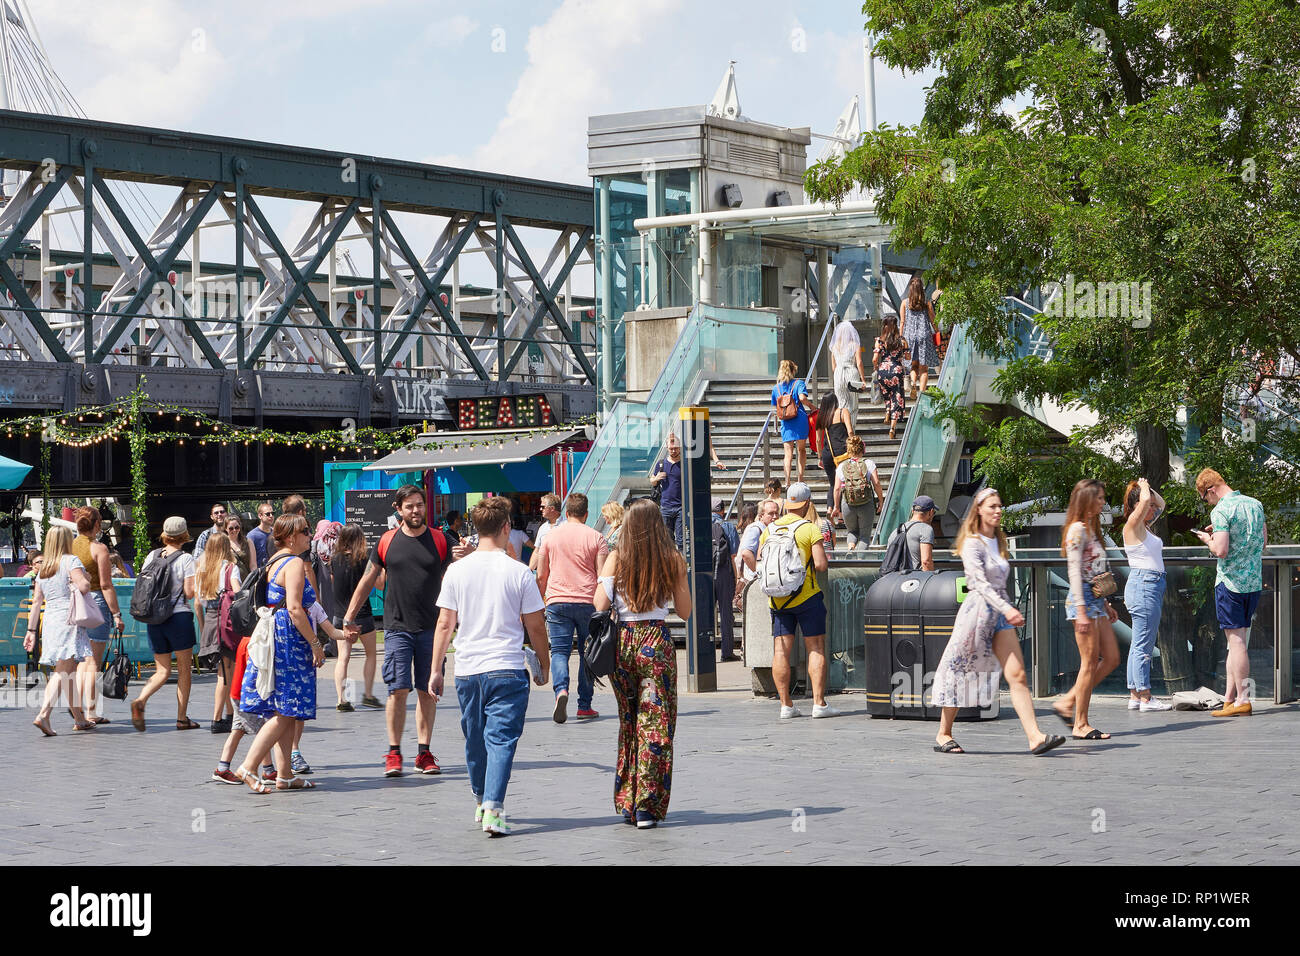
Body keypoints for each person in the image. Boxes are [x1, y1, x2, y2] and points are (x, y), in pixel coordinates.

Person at [430, 497, 551, 837]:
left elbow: (444, 624)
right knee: (501, 740)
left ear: (476, 529)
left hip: (468, 668)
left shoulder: (456, 570)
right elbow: (536, 625)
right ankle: (494, 808)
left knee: (474, 739)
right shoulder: (519, 572)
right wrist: (544, 661)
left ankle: (482, 798)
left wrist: (436, 668)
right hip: (507, 666)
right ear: (506, 528)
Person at [931, 488, 1066, 755]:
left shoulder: (998, 541)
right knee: (960, 673)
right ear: (979, 510)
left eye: (999, 506)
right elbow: (978, 584)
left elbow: (999, 584)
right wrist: (1008, 609)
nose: (998, 510)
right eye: (992, 506)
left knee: (1018, 675)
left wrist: (1007, 610)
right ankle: (943, 733)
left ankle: (1035, 737)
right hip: (977, 616)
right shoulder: (972, 543)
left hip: (1000, 616)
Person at [593, 498, 693, 829]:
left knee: (629, 721)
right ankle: (647, 805)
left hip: (623, 642)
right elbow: (686, 610)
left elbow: (599, 603)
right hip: (656, 643)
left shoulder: (617, 557)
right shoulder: (671, 559)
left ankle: (627, 800)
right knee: (656, 725)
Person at [342, 484, 451, 777]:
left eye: (419, 505)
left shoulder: (440, 540)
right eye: (409, 506)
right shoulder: (386, 541)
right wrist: (350, 615)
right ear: (398, 509)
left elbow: (457, 579)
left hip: (432, 628)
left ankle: (424, 752)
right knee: (397, 690)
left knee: (428, 692)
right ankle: (394, 753)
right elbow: (367, 580)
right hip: (397, 628)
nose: (416, 511)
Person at [233, 514, 325, 793]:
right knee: (286, 711)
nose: (309, 536)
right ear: (290, 536)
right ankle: (248, 766)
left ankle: (284, 775)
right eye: (305, 531)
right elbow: (296, 609)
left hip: (274, 635)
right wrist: (315, 644)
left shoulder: (273, 561)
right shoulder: (294, 563)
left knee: (284, 708)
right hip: (289, 640)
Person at [1193, 469, 1267, 718]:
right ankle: (1229, 699)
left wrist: (1207, 539)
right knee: (1235, 644)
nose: (1208, 502)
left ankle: (1243, 700)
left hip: (1230, 584)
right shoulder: (1255, 504)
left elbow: (1221, 550)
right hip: (1253, 582)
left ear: (1210, 489)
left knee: (1236, 643)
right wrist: (1224, 529)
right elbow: (1262, 542)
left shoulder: (1221, 510)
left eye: (1205, 497)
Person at [759, 483, 835, 719]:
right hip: (807, 597)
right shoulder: (810, 529)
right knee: (815, 647)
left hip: (778, 601)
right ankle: (819, 704)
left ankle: (785, 705)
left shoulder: (769, 530)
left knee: (781, 651)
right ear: (807, 503)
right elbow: (821, 564)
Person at [1052, 479, 1121, 740]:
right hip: (1082, 603)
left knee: (1111, 658)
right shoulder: (1077, 531)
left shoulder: (1090, 529)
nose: (1103, 502)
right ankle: (1080, 723)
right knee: (1089, 663)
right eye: (1100, 498)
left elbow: (1093, 571)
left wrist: (1105, 603)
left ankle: (1067, 702)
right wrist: (1082, 611)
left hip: (1095, 601)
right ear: (1087, 499)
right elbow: (1073, 572)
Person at [536, 492, 609, 723]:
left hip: (557, 601)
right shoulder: (597, 538)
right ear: (586, 514)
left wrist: (540, 603)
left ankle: (561, 691)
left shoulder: (550, 537)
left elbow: (541, 575)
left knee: (559, 651)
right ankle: (584, 705)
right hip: (588, 601)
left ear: (566, 513)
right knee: (588, 653)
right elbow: (602, 577)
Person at [23, 527, 96, 735]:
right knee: (63, 670)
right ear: (67, 541)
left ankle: (80, 718)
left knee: (68, 671)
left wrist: (31, 630)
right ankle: (44, 715)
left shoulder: (44, 567)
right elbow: (83, 586)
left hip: (51, 621)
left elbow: (37, 602)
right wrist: (87, 578)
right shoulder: (71, 561)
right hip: (70, 619)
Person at [130, 516, 200, 732]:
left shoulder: (152, 555)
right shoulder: (187, 559)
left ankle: (141, 699)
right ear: (184, 535)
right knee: (184, 670)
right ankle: (181, 718)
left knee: (162, 670)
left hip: (154, 618)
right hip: (178, 617)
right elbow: (189, 593)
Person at [1121, 478, 1171, 712]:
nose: (1152, 508)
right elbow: (1145, 504)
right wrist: (1142, 490)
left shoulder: (1145, 527)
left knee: (1138, 642)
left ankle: (1134, 693)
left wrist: (1148, 489)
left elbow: (1162, 504)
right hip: (1145, 585)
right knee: (1144, 643)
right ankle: (1146, 696)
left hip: (1147, 584)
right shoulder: (1134, 523)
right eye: (1147, 505)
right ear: (1138, 505)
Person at [71, 506, 123, 723]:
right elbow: (105, 584)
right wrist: (117, 614)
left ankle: (81, 709)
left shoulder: (71, 545)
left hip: (75, 604)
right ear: (95, 524)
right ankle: (91, 711)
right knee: (94, 661)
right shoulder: (99, 548)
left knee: (83, 660)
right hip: (96, 603)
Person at [211, 629, 277, 785]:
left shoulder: (245, 639)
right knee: (262, 732)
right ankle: (268, 770)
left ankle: (222, 768)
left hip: (237, 693)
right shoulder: (253, 643)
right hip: (245, 696)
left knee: (237, 731)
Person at [330, 524, 381, 712]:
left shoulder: (334, 559)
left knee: (343, 658)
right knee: (371, 654)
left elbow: (334, 582)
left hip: (339, 615)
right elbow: (380, 584)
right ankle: (367, 694)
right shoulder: (364, 559)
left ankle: (341, 699)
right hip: (363, 614)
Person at [195, 531, 239, 733]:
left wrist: (204, 628)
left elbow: (197, 603)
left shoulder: (202, 570)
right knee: (225, 672)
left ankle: (230, 715)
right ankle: (217, 719)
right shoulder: (230, 568)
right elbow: (238, 594)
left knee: (224, 671)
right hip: (225, 622)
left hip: (210, 620)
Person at [833, 435, 884, 552]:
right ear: (862, 449)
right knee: (865, 536)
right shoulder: (869, 464)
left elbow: (836, 489)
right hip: (866, 502)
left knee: (852, 532)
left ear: (848, 450)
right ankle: (860, 559)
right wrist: (881, 501)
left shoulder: (841, 466)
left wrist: (836, 507)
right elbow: (876, 483)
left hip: (848, 503)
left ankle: (851, 549)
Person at [771, 359, 816, 487]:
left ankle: (787, 481)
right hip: (800, 419)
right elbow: (802, 398)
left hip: (786, 422)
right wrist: (812, 407)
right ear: (792, 371)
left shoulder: (776, 388)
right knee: (801, 450)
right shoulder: (798, 383)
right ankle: (800, 479)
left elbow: (776, 407)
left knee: (788, 453)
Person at [902, 273, 940, 402]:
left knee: (913, 366)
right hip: (924, 336)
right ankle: (922, 395)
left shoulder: (904, 303)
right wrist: (938, 333)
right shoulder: (926, 303)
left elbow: (902, 322)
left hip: (910, 337)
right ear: (921, 289)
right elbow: (933, 321)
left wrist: (902, 338)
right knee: (924, 369)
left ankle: (913, 383)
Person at [872, 314, 910, 439]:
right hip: (897, 371)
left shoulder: (879, 341)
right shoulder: (902, 340)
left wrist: (876, 368)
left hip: (883, 371)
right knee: (897, 399)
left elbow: (874, 359)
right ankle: (892, 429)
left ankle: (888, 410)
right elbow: (908, 357)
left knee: (887, 395)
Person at [711, 497, 740, 662]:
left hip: (706, 575)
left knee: (706, 613)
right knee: (726, 613)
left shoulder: (700, 525)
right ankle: (727, 652)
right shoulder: (728, 526)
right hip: (724, 573)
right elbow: (734, 555)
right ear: (722, 510)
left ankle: (705, 650)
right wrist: (737, 579)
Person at [816, 393, 854, 514]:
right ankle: (842, 514)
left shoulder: (822, 417)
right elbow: (850, 431)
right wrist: (854, 447)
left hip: (828, 454)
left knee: (833, 484)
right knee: (844, 483)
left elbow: (818, 440)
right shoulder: (843, 412)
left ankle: (830, 509)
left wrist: (820, 457)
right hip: (843, 453)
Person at [829, 317, 868, 427]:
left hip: (838, 374)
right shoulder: (855, 345)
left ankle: (841, 429)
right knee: (853, 404)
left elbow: (833, 366)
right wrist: (863, 379)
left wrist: (838, 375)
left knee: (841, 403)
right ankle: (851, 430)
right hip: (851, 373)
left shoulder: (835, 346)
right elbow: (859, 362)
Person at [650, 434, 684, 548]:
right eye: (671, 448)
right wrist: (656, 478)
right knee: (667, 540)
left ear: (679, 448)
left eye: (676, 448)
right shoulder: (661, 464)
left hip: (681, 507)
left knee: (681, 541)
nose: (673, 450)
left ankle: (681, 564)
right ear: (667, 448)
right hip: (666, 506)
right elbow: (652, 481)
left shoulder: (685, 464)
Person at [887, 496, 938, 571]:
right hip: (916, 579)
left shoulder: (896, 531)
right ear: (931, 512)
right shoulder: (926, 529)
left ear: (912, 510)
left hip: (895, 579)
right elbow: (926, 562)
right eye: (934, 513)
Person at [528, 494, 564, 569]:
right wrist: (529, 571)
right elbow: (537, 551)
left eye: (543, 507)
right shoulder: (542, 528)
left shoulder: (567, 525)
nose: (540, 509)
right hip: (546, 575)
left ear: (552, 508)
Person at [193, 503, 227, 568]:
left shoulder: (232, 533)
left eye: (222, 512)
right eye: (216, 513)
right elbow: (197, 560)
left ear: (226, 514)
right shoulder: (205, 535)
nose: (219, 514)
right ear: (212, 517)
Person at [225, 515, 255, 579]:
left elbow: (253, 565)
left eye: (237, 527)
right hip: (230, 582)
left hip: (247, 582)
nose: (234, 530)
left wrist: (254, 580)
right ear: (226, 529)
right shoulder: (223, 543)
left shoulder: (248, 542)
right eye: (231, 528)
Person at [248, 501, 275, 568]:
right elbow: (252, 563)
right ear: (260, 516)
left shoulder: (276, 533)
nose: (271, 516)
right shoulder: (252, 536)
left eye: (272, 513)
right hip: (261, 575)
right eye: (268, 514)